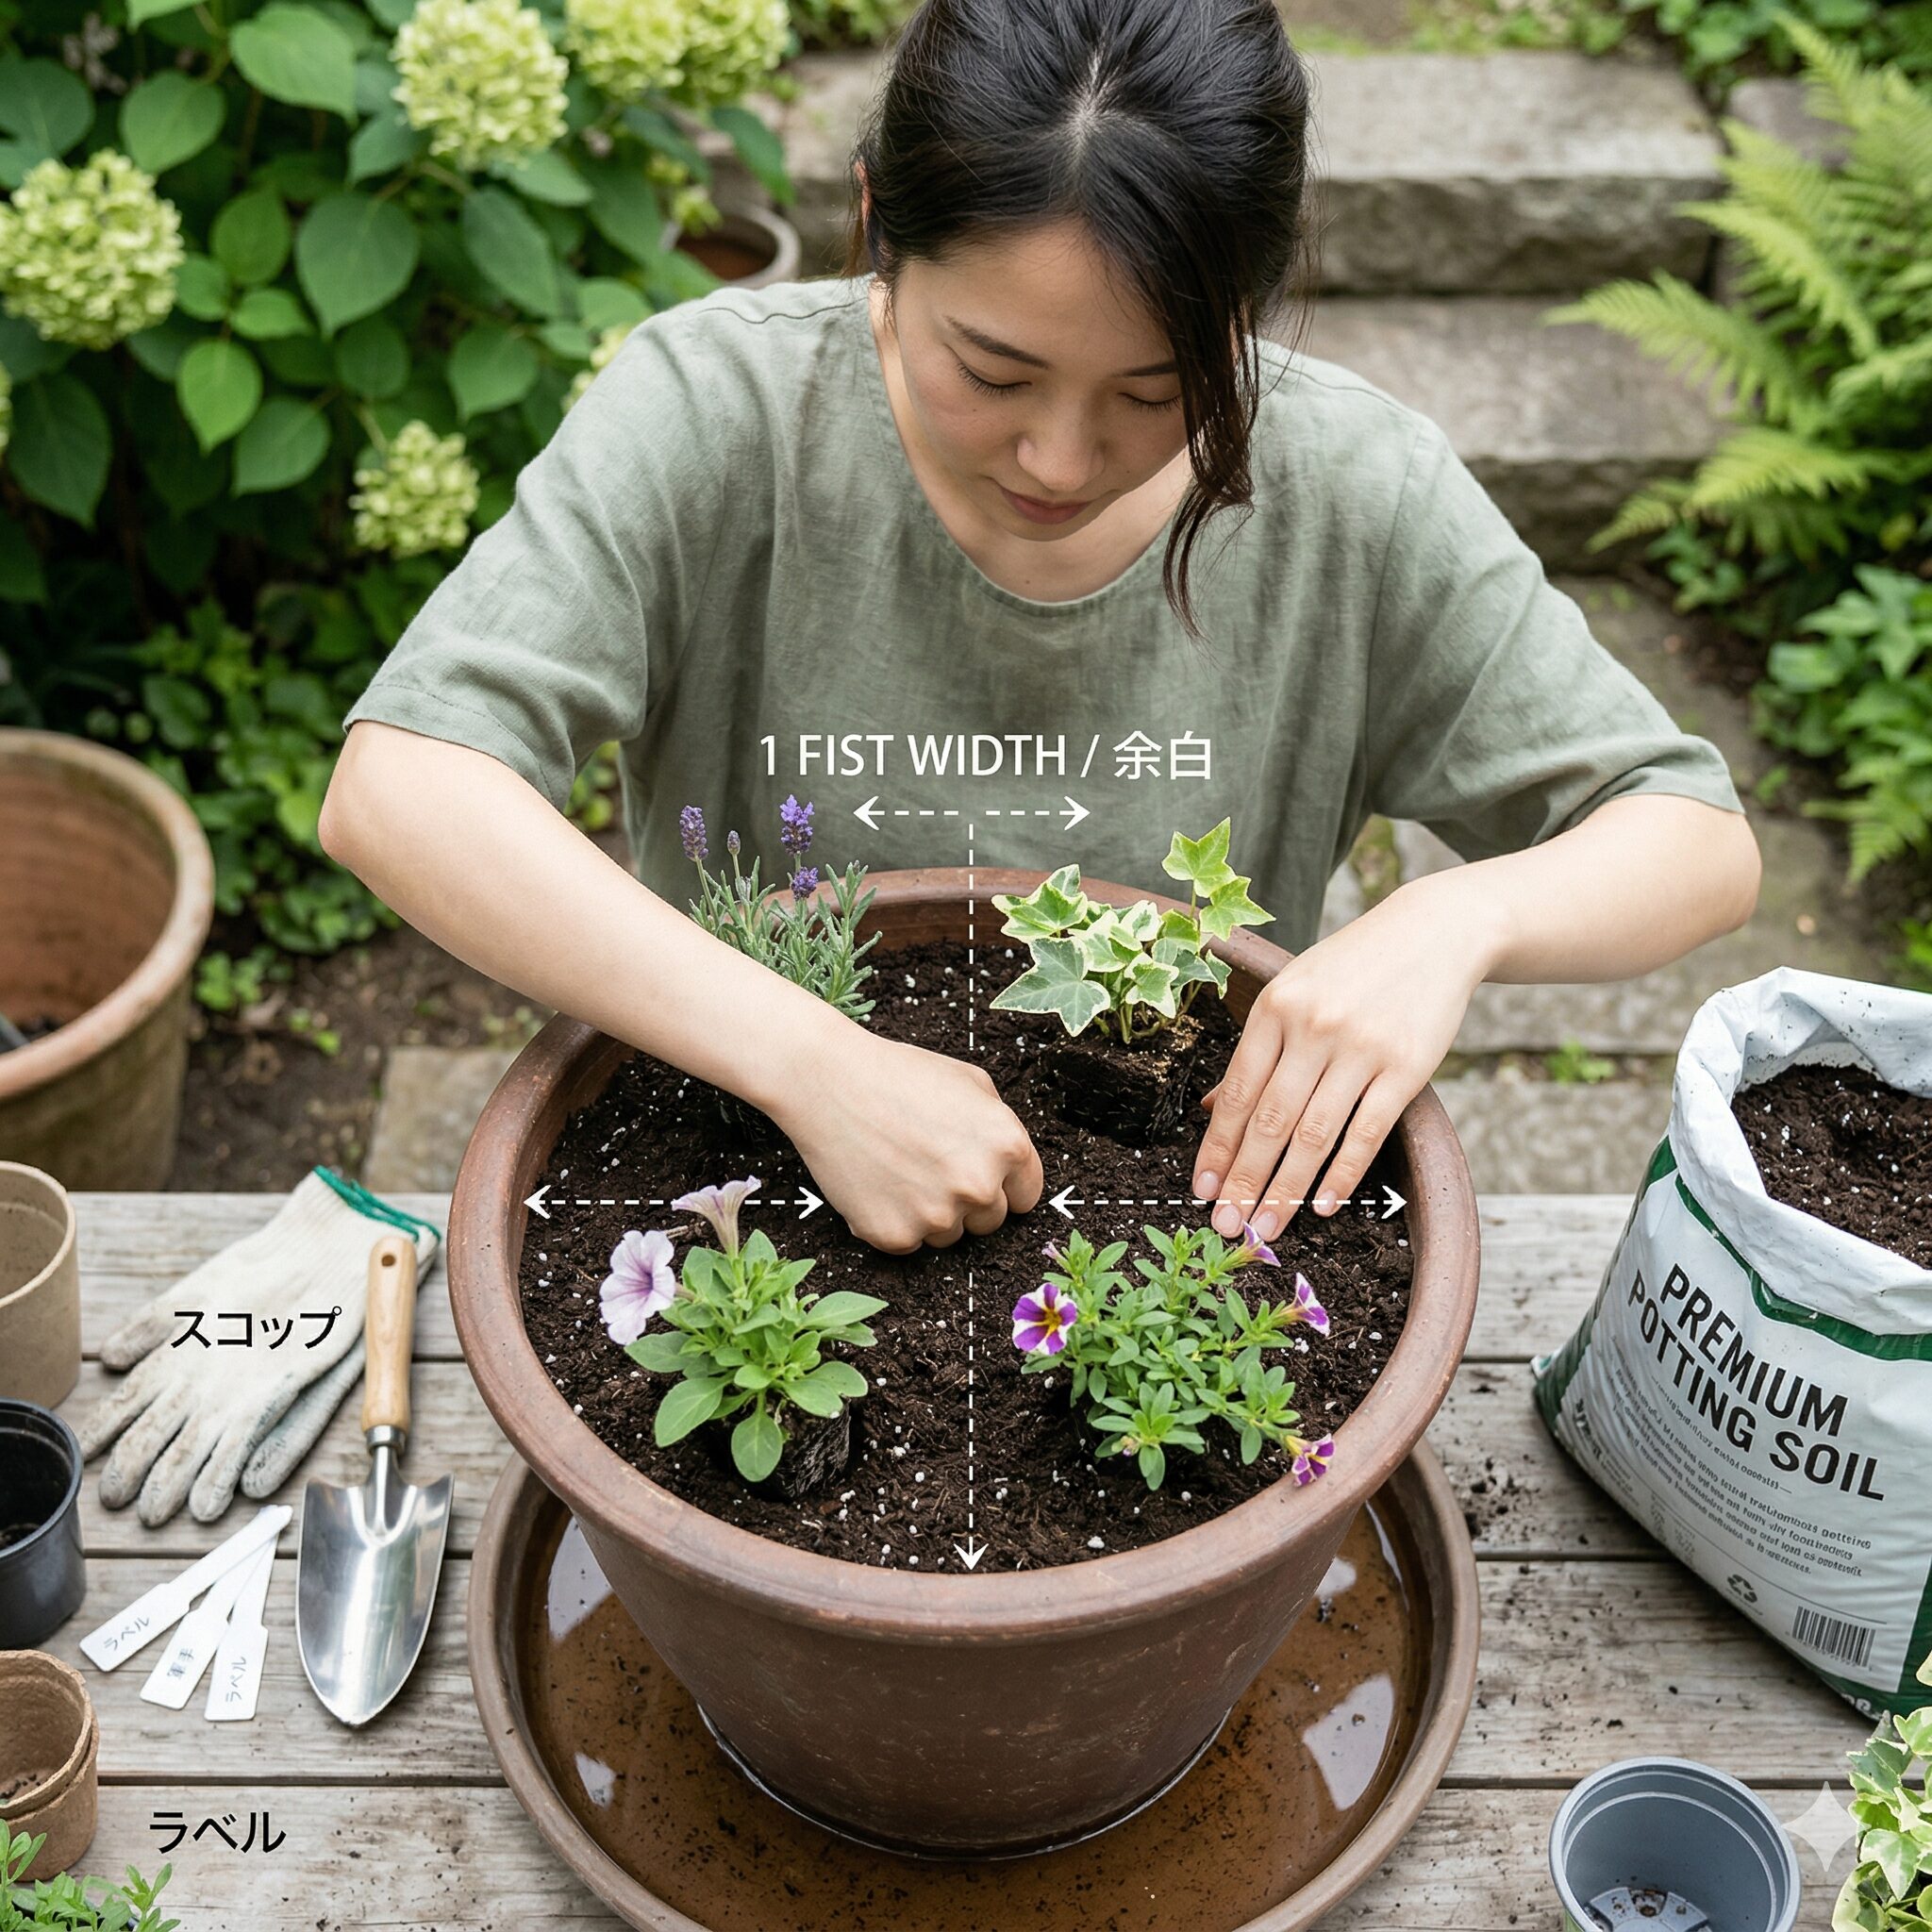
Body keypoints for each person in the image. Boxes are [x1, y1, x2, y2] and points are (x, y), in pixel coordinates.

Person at [321, 0, 1761, 1256]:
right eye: (991, 371)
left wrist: (1462, 915)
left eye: (1155, 392)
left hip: (1183, 1192)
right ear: (879, 223)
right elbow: (404, 787)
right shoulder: (722, 414)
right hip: (736, 1158)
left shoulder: (1353, 493)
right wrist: (816, 1063)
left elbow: (1692, 839)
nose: (1061, 461)